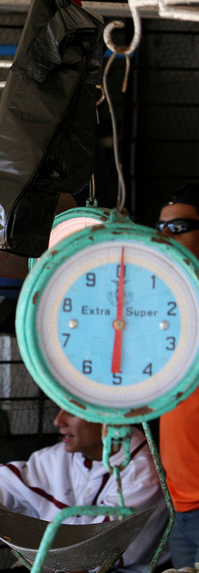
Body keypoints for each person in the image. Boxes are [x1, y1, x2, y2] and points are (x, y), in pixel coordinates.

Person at [0, 409, 169, 573]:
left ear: (109, 414)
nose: (58, 421)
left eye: (72, 411)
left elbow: (94, 555)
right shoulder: (62, 456)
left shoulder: (143, 474)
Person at [157, 183, 199, 569]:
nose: (165, 236)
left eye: (179, 226)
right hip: (183, 506)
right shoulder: (167, 302)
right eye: (161, 228)